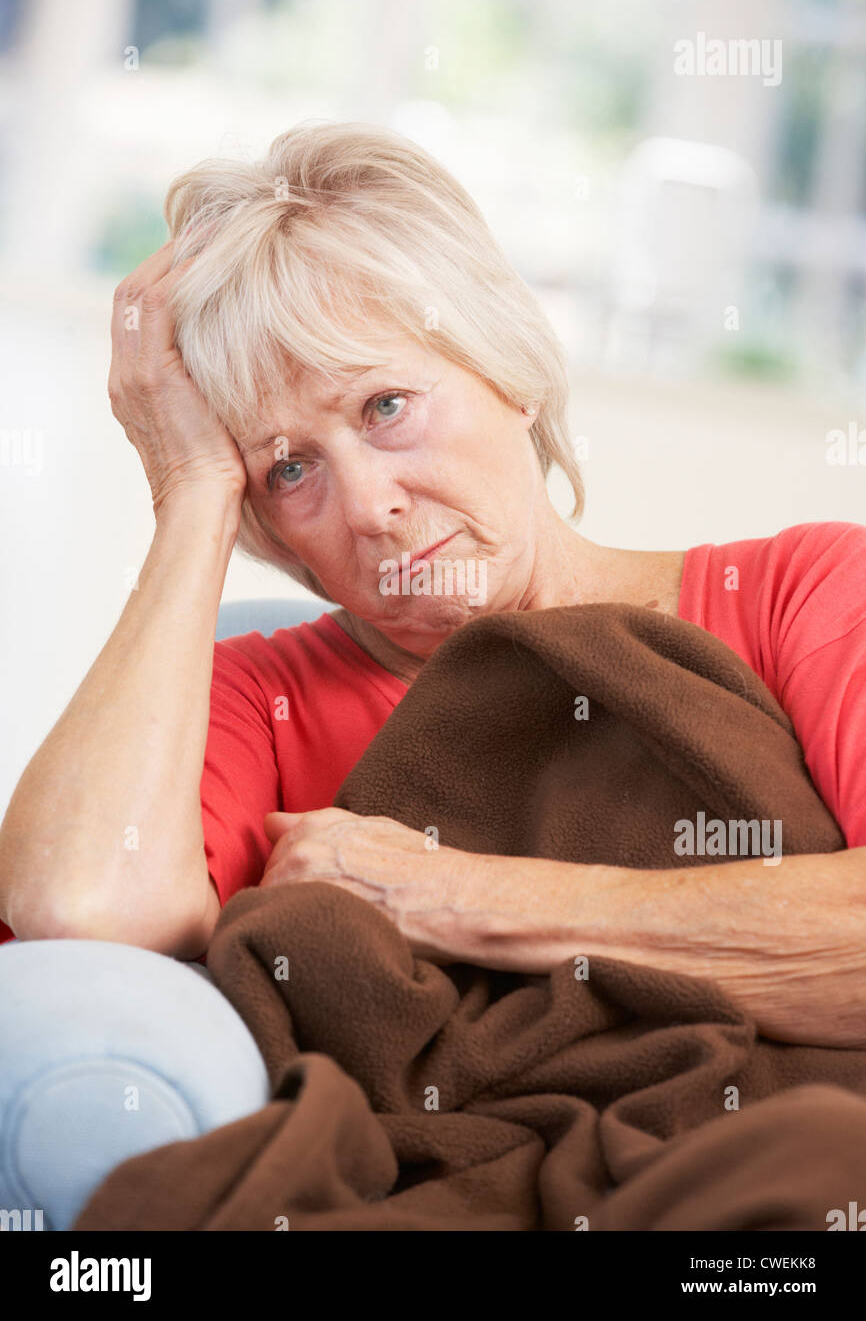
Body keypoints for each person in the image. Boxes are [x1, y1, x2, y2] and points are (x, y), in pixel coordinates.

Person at [1, 120, 865, 1230]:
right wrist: (189, 495)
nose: (366, 506)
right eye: (290, 469)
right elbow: (79, 906)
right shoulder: (253, 699)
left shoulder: (805, 592)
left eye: (384, 406)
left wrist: (448, 895)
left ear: (504, 362)